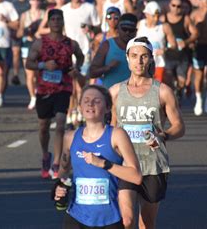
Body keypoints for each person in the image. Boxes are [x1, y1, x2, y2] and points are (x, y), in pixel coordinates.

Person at [110, 36, 186, 229]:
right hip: (125, 164)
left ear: (151, 58)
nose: (139, 61)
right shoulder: (116, 92)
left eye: (144, 56)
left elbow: (179, 126)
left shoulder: (162, 91)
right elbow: (111, 128)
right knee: (126, 221)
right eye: (134, 56)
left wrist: (165, 135)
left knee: (147, 223)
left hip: (153, 165)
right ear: (127, 57)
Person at [54, 85, 142, 228]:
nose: (90, 104)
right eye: (86, 100)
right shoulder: (70, 137)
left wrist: (104, 164)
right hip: (77, 216)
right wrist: (59, 188)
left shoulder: (117, 135)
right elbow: (64, 172)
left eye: (97, 101)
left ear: (108, 108)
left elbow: (136, 176)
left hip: (109, 218)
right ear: (80, 107)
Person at [26, 9, 84, 179]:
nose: (56, 22)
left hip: (63, 88)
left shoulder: (70, 44)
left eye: (59, 19)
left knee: (60, 124)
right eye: (53, 20)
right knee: (43, 126)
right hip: (44, 90)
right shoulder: (40, 43)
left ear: (63, 22)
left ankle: (57, 163)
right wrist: (44, 66)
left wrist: (76, 68)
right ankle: (46, 155)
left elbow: (80, 57)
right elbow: (29, 63)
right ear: (49, 22)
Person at [162, 0, 198, 101]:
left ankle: (178, 90)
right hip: (168, 55)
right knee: (168, 79)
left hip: (182, 56)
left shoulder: (185, 19)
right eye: (174, 5)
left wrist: (186, 42)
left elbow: (195, 33)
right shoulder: (163, 18)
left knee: (182, 81)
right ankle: (172, 95)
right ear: (169, 6)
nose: (176, 8)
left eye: (179, 6)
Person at [89, 13, 138, 89]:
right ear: (118, 28)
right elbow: (92, 72)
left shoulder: (140, 48)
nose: (127, 32)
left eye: (131, 30)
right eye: (124, 29)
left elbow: (150, 74)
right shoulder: (107, 45)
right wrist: (107, 67)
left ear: (136, 31)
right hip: (111, 97)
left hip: (133, 97)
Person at [17, 0, 45, 110]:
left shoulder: (44, 14)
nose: (35, 1)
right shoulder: (24, 15)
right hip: (27, 44)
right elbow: (19, 31)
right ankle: (33, 97)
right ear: (30, 1)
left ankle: (38, 93)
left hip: (40, 44)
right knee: (29, 73)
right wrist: (25, 32)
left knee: (38, 73)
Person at [136, 1, 177, 83]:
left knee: (156, 89)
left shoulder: (164, 26)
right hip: (141, 63)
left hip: (158, 64)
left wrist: (164, 50)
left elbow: (174, 45)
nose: (156, 18)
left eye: (158, 15)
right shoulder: (140, 25)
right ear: (146, 14)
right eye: (153, 16)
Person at [10, 0, 30, 86]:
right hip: (15, 32)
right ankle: (16, 74)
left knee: (27, 56)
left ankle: (28, 76)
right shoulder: (12, 3)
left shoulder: (29, 3)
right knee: (16, 53)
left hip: (27, 32)